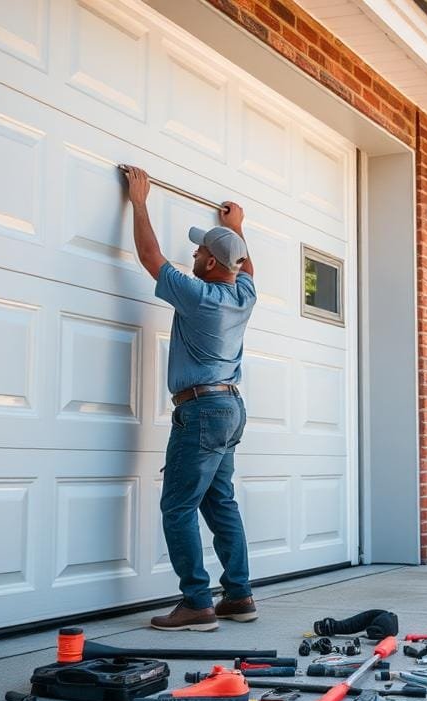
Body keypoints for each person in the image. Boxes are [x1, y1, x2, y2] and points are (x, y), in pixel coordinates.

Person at [122, 164, 257, 631]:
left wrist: (139, 201)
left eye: (201, 249)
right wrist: (236, 230)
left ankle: (197, 603)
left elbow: (150, 255)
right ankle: (238, 596)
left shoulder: (199, 295)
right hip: (230, 408)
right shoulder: (243, 293)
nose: (194, 252)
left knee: (178, 505)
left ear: (212, 264)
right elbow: (246, 266)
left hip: (201, 410)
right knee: (221, 503)